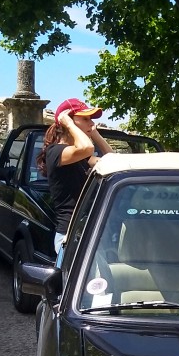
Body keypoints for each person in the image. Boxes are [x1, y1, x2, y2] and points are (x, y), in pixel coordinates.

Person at [42, 97, 112, 262]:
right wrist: (68, 124)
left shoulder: (79, 157)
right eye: (85, 119)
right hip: (69, 235)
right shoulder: (56, 152)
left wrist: (95, 133)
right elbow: (87, 148)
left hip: (85, 231)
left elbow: (112, 160)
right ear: (67, 121)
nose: (91, 123)